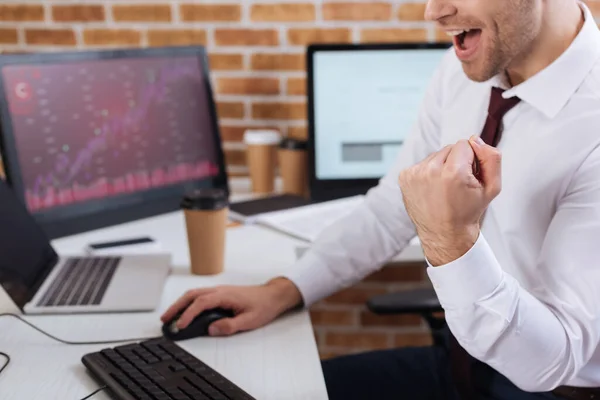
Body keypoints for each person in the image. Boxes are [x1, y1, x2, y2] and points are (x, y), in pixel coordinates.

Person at [161, 0, 600, 398]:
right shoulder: (463, 67)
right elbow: (393, 205)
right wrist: (283, 290)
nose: (433, 12)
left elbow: (553, 361)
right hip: (460, 362)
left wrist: (450, 240)